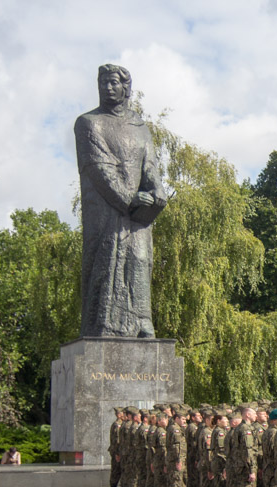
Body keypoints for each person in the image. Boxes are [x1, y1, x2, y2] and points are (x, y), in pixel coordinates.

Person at [75, 64, 167, 338]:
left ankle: (141, 322)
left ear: (126, 88)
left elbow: (149, 164)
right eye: (103, 82)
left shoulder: (139, 126)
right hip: (106, 211)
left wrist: (157, 191)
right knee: (107, 264)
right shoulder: (88, 123)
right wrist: (128, 198)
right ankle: (105, 326)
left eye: (113, 82)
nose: (107, 87)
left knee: (139, 262)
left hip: (138, 215)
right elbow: (97, 168)